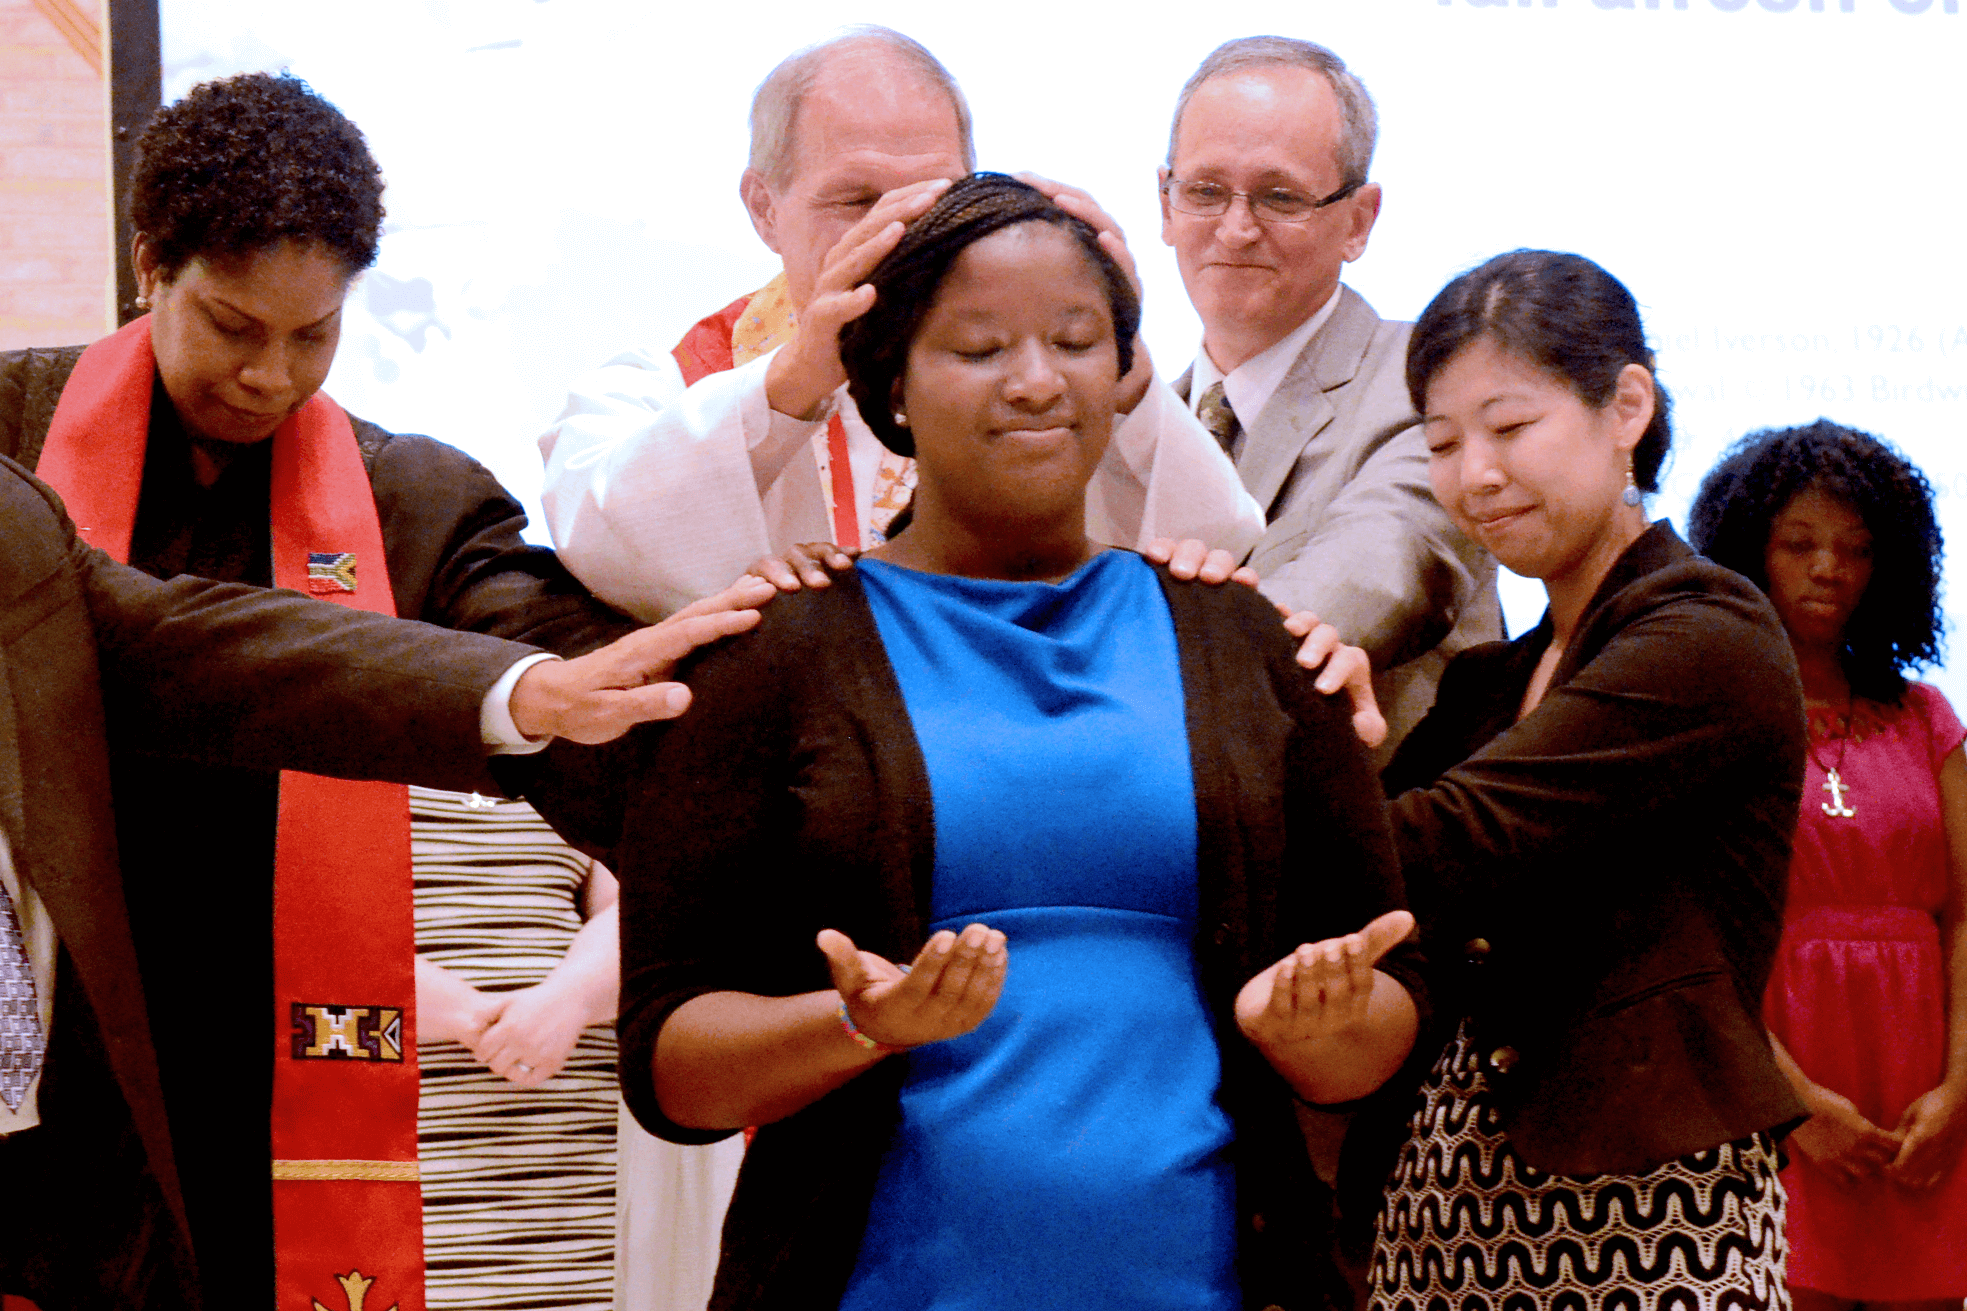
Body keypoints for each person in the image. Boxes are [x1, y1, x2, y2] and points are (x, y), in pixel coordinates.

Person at [616, 172, 1424, 1311]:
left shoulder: (1245, 642)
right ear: (888, 381)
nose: (1037, 382)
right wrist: (856, 1022)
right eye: (979, 348)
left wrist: (1319, 1030)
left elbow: (1379, 1029)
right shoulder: (770, 655)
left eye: (1076, 340)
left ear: (1120, 371)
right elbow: (666, 1065)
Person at [0, 71, 655, 1304]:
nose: (270, 375)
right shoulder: (6, 440)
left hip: (268, 1060)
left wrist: (579, 685)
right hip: (49, 1048)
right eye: (234, 327)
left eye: (314, 335)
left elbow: (536, 637)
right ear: (152, 265)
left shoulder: (407, 495)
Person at [0, 453, 763, 1310]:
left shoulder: (11, 519)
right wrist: (453, 1009)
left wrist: (528, 695)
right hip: (373, 1102)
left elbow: (196, 646)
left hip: (550, 1123)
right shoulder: (300, 756)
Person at [1369, 250, 1808, 1307]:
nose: (1473, 473)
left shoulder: (1709, 630)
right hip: (1440, 1201)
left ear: (1624, 407)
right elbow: (1390, 896)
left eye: (1508, 428)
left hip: (1646, 1207)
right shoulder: (1486, 682)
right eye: (1440, 443)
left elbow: (1438, 838)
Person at [538, 25, 1264, 624]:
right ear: (763, 208)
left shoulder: (1030, 377)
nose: (899, 235)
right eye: (857, 201)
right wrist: (797, 378)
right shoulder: (669, 383)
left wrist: (1111, 340)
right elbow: (607, 547)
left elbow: (1212, 538)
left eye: (931, 197)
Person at [1689, 422, 1967, 1310]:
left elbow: (1966, 914)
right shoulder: (1708, 709)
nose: (1828, 569)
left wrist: (1961, 1086)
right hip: (1772, 1096)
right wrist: (1795, 1103)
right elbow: (1688, 931)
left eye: (1855, 548)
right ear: (1746, 550)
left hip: (1926, 1104)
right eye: (1798, 543)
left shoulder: (1926, 717)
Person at [1159, 36, 1498, 757]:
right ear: (1164, 202)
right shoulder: (1132, 428)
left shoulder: (1429, 382)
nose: (1235, 227)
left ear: (1358, 220)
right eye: (1204, 190)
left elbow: (1355, 590)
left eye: (1278, 197)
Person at [411, 789, 624, 1311]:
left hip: (577, 1137)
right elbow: (311, 929)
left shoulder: (584, 769)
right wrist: (473, 1018)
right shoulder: (329, 753)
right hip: (409, 1129)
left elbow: (640, 906)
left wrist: (567, 1000)